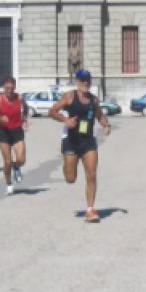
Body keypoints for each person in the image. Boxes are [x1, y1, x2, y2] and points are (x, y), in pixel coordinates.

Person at [48, 69, 112, 222]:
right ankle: (66, 164)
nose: (85, 83)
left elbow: (99, 115)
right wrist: (65, 120)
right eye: (82, 80)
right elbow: (52, 111)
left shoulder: (94, 100)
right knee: (70, 178)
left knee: (92, 174)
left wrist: (106, 125)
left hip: (88, 141)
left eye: (87, 80)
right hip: (71, 140)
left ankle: (90, 209)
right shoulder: (70, 97)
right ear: (77, 82)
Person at [0, 77, 29, 195]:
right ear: (3, 88)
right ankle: (8, 183)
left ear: (15, 87)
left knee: (21, 160)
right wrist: (0, 118)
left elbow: (26, 108)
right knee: (7, 162)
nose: (9, 90)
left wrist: (24, 118)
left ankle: (16, 167)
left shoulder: (19, 98)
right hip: (4, 132)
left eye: (12, 88)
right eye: (7, 88)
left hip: (17, 131)